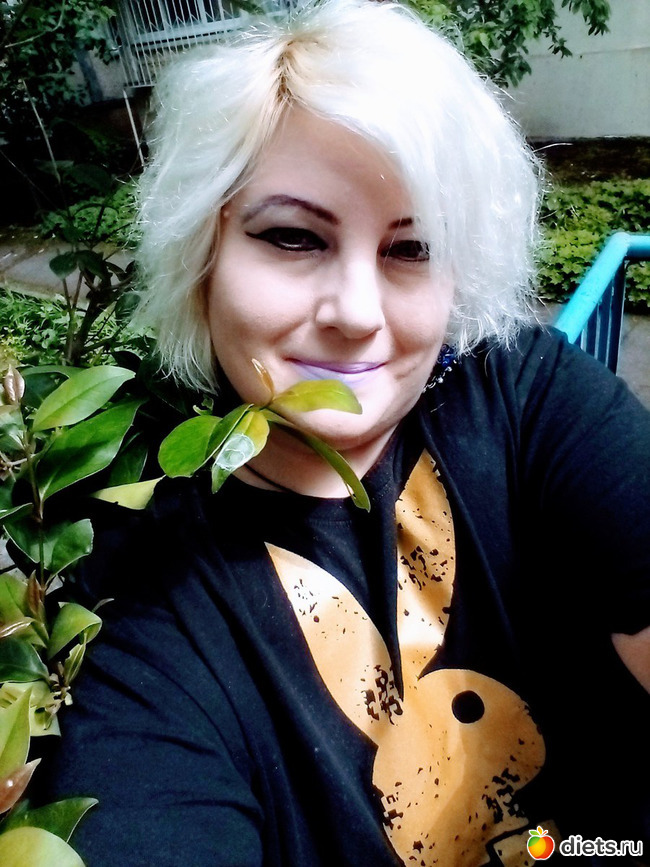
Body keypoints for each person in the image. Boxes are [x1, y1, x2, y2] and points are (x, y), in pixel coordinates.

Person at [46, 1, 650, 864]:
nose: (359, 314)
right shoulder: (139, 591)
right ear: (203, 254)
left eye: (411, 248)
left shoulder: (524, 397)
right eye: (294, 237)